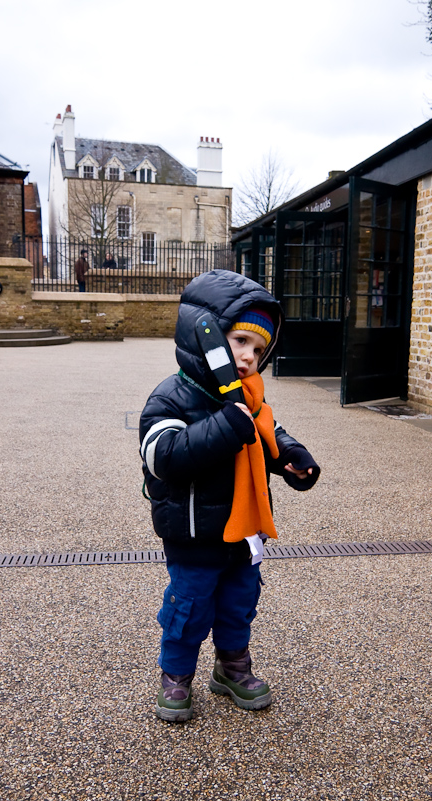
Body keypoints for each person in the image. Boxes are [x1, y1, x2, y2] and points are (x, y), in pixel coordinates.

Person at [139, 270, 320, 722]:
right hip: (195, 533)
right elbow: (162, 456)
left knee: (239, 604)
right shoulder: (172, 396)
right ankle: (177, 674)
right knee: (189, 607)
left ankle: (232, 667)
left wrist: (292, 456)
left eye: (259, 350)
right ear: (207, 335)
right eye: (239, 341)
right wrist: (223, 427)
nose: (248, 356)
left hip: (244, 534)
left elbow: (267, 434)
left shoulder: (250, 399)